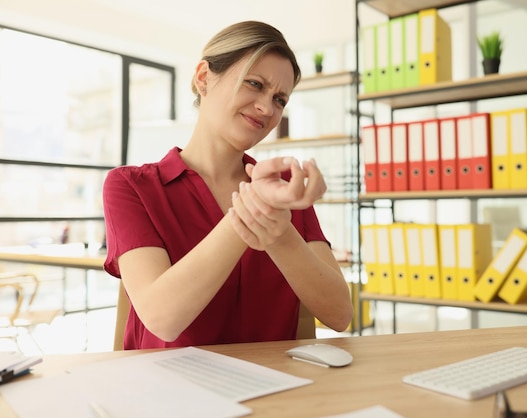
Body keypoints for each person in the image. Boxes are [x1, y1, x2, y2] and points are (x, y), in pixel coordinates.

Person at [102, 20, 353, 350]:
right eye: (254, 83)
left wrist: (278, 230)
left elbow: (339, 315)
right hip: (168, 391)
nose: (266, 108)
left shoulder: (283, 188)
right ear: (204, 78)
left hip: (276, 390)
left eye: (280, 99)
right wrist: (254, 210)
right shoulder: (131, 186)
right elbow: (163, 320)